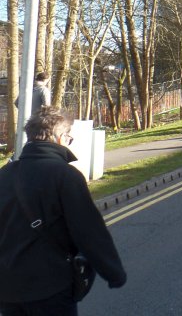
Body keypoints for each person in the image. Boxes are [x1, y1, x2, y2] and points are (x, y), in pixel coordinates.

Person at [0, 107, 127, 314]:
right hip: (49, 287)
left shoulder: (4, 174)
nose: (69, 142)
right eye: (69, 138)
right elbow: (88, 231)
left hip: (7, 288)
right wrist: (113, 272)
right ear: (60, 137)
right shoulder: (65, 175)